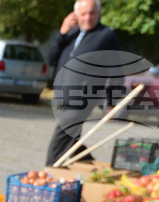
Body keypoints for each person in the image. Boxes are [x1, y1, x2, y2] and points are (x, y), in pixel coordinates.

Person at [45, 0, 120, 166]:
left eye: (92, 13)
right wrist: (62, 33)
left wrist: (113, 102)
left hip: (85, 95)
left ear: (99, 13)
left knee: (63, 133)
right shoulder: (70, 33)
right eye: (83, 13)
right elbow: (50, 59)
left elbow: (116, 70)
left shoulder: (106, 35)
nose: (87, 18)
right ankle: (92, 169)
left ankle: (48, 174)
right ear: (75, 14)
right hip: (62, 94)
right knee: (72, 139)